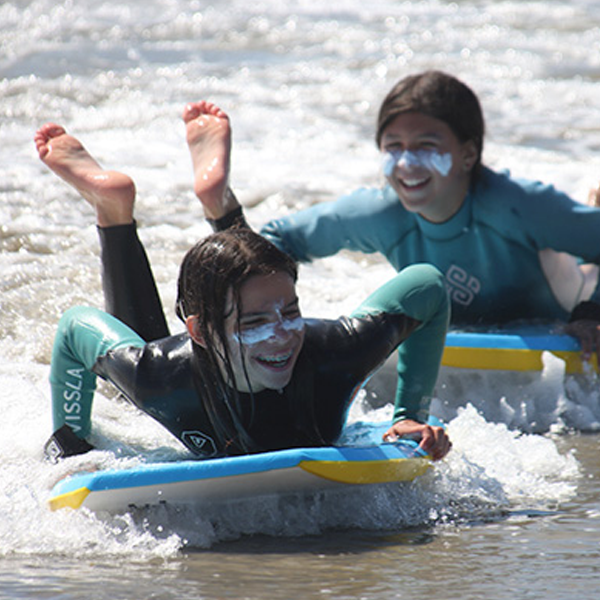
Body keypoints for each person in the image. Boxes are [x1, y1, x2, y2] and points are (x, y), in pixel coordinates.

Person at [34, 102, 452, 462]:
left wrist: (408, 415)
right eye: (254, 325)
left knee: (255, 276)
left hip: (234, 312)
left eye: (291, 312)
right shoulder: (159, 377)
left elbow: (428, 284)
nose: (282, 335)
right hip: (186, 359)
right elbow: (75, 327)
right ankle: (113, 210)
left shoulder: (336, 352)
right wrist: (70, 439)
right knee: (132, 389)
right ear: (196, 331)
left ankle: (219, 202)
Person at [204, 70, 600, 361]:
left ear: (468, 154)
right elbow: (274, 244)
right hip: (471, 324)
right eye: (394, 146)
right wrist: (225, 215)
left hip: (553, 311)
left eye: (426, 145)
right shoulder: (380, 212)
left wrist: (590, 313)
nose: (407, 163)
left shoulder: (517, 204)